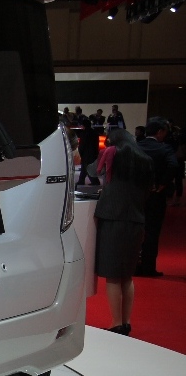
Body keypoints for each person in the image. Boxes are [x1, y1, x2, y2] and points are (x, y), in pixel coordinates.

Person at [93, 129, 153, 335]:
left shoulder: (111, 153)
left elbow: (93, 170)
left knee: (112, 276)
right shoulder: (145, 160)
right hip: (136, 219)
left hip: (113, 219)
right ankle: (126, 322)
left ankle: (116, 323)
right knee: (127, 276)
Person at [135, 117, 177, 276]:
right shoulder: (165, 149)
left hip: (136, 195)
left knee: (135, 230)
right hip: (155, 196)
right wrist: (162, 184)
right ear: (160, 132)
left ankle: (133, 264)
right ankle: (148, 267)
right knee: (152, 231)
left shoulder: (136, 147)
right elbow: (173, 166)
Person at [76, 118, 100, 186]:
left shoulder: (84, 133)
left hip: (86, 153)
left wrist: (80, 152)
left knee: (86, 167)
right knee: (86, 167)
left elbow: (82, 144)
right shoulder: (94, 132)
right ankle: (82, 180)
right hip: (93, 153)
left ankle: (94, 181)